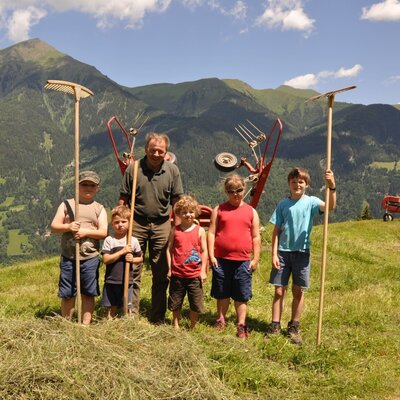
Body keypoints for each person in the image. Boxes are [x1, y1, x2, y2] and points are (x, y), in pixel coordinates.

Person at [266, 167, 336, 345]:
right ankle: (275, 325)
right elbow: (275, 231)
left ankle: (294, 326)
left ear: (307, 184)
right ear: (289, 184)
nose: (297, 185)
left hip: (302, 253)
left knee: (298, 291)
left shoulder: (311, 202)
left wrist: (332, 187)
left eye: (301, 182)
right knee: (279, 290)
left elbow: (330, 207)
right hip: (282, 252)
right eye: (294, 182)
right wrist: (273, 253)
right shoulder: (283, 204)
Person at [119, 132, 183, 324]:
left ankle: (157, 316)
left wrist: (177, 228)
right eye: (152, 150)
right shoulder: (133, 169)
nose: (156, 154)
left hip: (162, 223)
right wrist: (121, 223)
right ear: (146, 149)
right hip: (137, 222)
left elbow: (177, 200)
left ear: (166, 152)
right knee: (132, 268)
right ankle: (131, 312)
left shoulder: (172, 171)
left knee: (161, 271)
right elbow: (123, 197)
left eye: (160, 151)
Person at [51, 171, 108, 325]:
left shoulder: (99, 208)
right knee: (68, 293)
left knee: (88, 292)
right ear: (77, 186)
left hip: (89, 258)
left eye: (92, 185)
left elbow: (103, 232)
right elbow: (54, 227)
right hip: (69, 257)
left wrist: (85, 232)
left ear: (97, 188)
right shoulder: (67, 204)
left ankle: (85, 325)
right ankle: (67, 323)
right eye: (84, 184)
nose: (88, 188)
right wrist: (68, 226)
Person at [208, 174, 260, 339]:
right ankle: (221, 319)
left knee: (241, 294)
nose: (236, 194)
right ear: (226, 192)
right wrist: (211, 256)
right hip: (221, 260)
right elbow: (211, 233)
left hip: (243, 261)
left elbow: (256, 237)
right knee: (222, 292)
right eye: (231, 191)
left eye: (238, 190)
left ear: (244, 190)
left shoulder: (251, 212)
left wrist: (256, 258)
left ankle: (241, 323)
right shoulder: (219, 210)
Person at [166, 196, 208, 329]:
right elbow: (169, 249)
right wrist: (169, 268)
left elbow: (204, 251)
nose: (188, 215)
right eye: (184, 212)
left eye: (191, 211)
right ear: (178, 214)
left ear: (195, 212)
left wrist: (203, 271)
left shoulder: (200, 231)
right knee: (175, 301)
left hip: (194, 274)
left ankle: (193, 325)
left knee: (195, 302)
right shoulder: (175, 230)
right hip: (177, 273)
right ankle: (176, 324)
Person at [101, 205, 143, 319]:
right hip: (111, 280)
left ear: (129, 223)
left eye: (124, 222)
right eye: (116, 222)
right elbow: (106, 259)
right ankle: (109, 325)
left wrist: (132, 259)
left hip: (127, 280)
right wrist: (122, 252)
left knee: (127, 306)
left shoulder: (133, 241)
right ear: (112, 224)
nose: (120, 225)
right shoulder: (110, 240)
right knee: (111, 307)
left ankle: (127, 325)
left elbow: (140, 258)